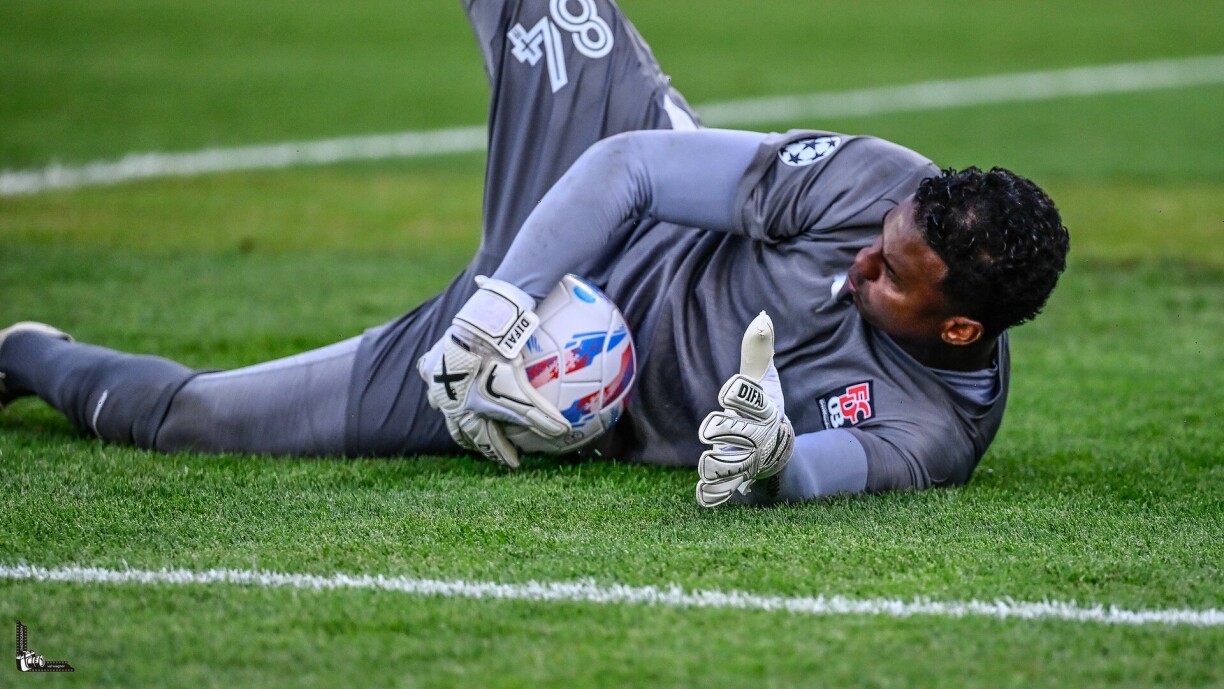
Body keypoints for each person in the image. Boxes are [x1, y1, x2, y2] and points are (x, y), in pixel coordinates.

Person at [0, 0, 1068, 507]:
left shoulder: (939, 429)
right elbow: (633, 168)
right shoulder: (881, 183)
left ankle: (25, 351)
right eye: (875, 247)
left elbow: (832, 472)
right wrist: (500, 303)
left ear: (961, 325)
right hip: (602, 228)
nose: (859, 268)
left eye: (889, 279)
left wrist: (775, 452)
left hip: (541, 396)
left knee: (200, 418)